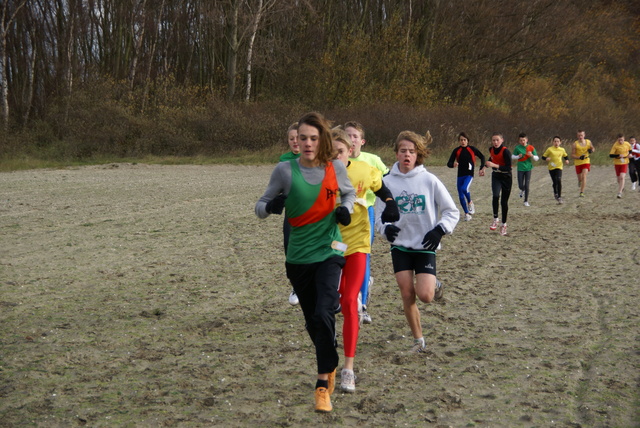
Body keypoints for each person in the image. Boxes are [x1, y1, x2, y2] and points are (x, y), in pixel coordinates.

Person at [255, 112, 356, 413]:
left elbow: (348, 194)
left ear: (322, 139)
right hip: (298, 256)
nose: (308, 143)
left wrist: (345, 210)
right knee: (314, 321)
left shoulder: (335, 167)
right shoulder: (284, 171)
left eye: (314, 138)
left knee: (325, 310)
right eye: (303, 138)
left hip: (330, 249)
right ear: (296, 140)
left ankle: (321, 385)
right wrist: (271, 206)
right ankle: (330, 358)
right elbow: (259, 206)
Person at [374, 130, 459, 353]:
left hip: (425, 246)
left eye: (412, 151)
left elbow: (452, 212)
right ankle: (418, 340)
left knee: (425, 296)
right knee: (406, 292)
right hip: (400, 245)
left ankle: (435, 285)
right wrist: (385, 229)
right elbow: (379, 215)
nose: (407, 155)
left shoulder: (430, 180)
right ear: (396, 153)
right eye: (403, 151)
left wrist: (440, 230)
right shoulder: (386, 182)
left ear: (418, 154)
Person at [331, 128, 399, 393]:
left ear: (350, 151)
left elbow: (381, 188)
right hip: (330, 245)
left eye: (341, 151)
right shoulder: (319, 174)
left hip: (357, 243)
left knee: (349, 302)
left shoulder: (362, 170)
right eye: (332, 151)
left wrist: (390, 202)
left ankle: (348, 368)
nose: (336, 155)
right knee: (332, 302)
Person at [344, 121, 389, 325]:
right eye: (347, 136)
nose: (351, 140)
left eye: (355, 136)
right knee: (338, 253)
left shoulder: (372, 160)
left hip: (365, 214)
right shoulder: (336, 160)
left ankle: (361, 305)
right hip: (339, 217)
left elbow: (389, 181)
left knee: (363, 255)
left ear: (362, 141)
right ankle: (346, 296)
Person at [279, 123, 301, 306]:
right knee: (289, 248)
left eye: (298, 138)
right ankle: (296, 286)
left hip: (312, 213)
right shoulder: (284, 159)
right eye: (291, 138)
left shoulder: (313, 157)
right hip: (292, 213)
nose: (295, 142)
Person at [446, 132, 486, 220]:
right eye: (461, 140)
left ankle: (470, 202)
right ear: (459, 141)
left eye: (464, 140)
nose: (463, 141)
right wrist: (453, 164)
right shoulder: (456, 150)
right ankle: (466, 214)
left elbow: (482, 157)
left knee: (464, 189)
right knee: (460, 196)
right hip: (460, 175)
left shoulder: (472, 149)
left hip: (469, 174)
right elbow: (449, 163)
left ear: (467, 141)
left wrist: (481, 167)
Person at [485, 133, 512, 236]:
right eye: (493, 140)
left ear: (502, 140)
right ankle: (495, 218)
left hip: (506, 178)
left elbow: (508, 168)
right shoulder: (491, 149)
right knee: (495, 195)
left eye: (497, 140)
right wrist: (483, 168)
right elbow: (490, 159)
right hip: (496, 176)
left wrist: (494, 165)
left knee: (504, 202)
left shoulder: (506, 152)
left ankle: (503, 224)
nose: (495, 142)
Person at [511, 133, 539, 207]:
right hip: (520, 168)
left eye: (524, 140)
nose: (522, 142)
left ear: (527, 140)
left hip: (528, 168)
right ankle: (522, 190)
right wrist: (517, 156)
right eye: (521, 140)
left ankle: (526, 201)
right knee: (520, 185)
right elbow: (512, 156)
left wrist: (532, 155)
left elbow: (537, 158)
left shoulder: (531, 147)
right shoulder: (517, 148)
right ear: (519, 141)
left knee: (527, 185)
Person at [541, 136, 570, 204]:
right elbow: (543, 157)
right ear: (553, 142)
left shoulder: (562, 149)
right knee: (555, 181)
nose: (556, 143)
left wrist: (567, 160)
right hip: (551, 167)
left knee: (559, 180)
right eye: (555, 141)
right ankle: (555, 192)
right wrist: (546, 159)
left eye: (558, 141)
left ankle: (559, 196)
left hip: (559, 167)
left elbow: (565, 156)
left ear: (560, 142)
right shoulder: (550, 149)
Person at [572, 130, 595, 197]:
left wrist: (591, 150)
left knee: (584, 175)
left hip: (586, 161)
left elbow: (593, 148)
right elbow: (572, 155)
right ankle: (579, 181)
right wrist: (579, 157)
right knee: (580, 178)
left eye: (581, 135)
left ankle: (582, 192)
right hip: (578, 162)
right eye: (579, 135)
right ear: (577, 136)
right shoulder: (575, 144)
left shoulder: (588, 142)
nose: (580, 137)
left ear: (584, 135)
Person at [608, 134, 631, 198]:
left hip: (624, 162)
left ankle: (619, 192)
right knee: (618, 179)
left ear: (624, 139)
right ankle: (622, 187)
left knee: (622, 177)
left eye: (621, 140)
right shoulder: (615, 145)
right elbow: (610, 155)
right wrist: (618, 155)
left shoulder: (627, 144)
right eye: (619, 140)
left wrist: (630, 154)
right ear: (617, 140)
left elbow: (630, 150)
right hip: (617, 163)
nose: (620, 141)